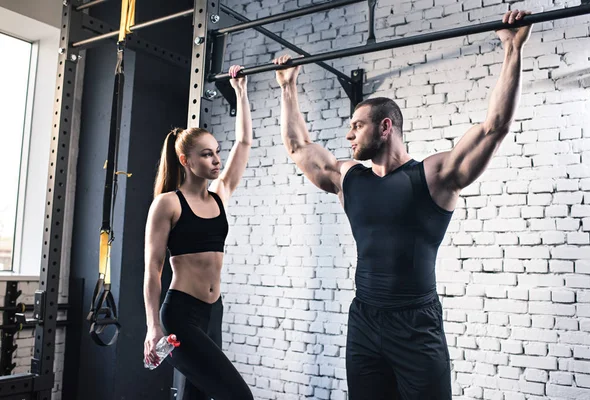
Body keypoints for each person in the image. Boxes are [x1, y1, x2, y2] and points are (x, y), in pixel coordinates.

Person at [273, 10, 532, 399]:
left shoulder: (432, 177)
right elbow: (298, 147)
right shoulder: (350, 179)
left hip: (416, 326)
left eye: (357, 125)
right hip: (363, 322)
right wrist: (287, 87)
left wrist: (512, 49)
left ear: (385, 127)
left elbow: (492, 129)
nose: (348, 135)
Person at [143, 65, 254, 400]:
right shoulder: (168, 204)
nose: (216, 159)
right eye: (207, 154)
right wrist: (152, 326)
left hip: (212, 311)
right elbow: (153, 269)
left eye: (217, 152)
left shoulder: (219, 195)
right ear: (186, 160)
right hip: (181, 314)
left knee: (198, 396)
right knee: (239, 395)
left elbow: (245, 142)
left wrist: (241, 92)